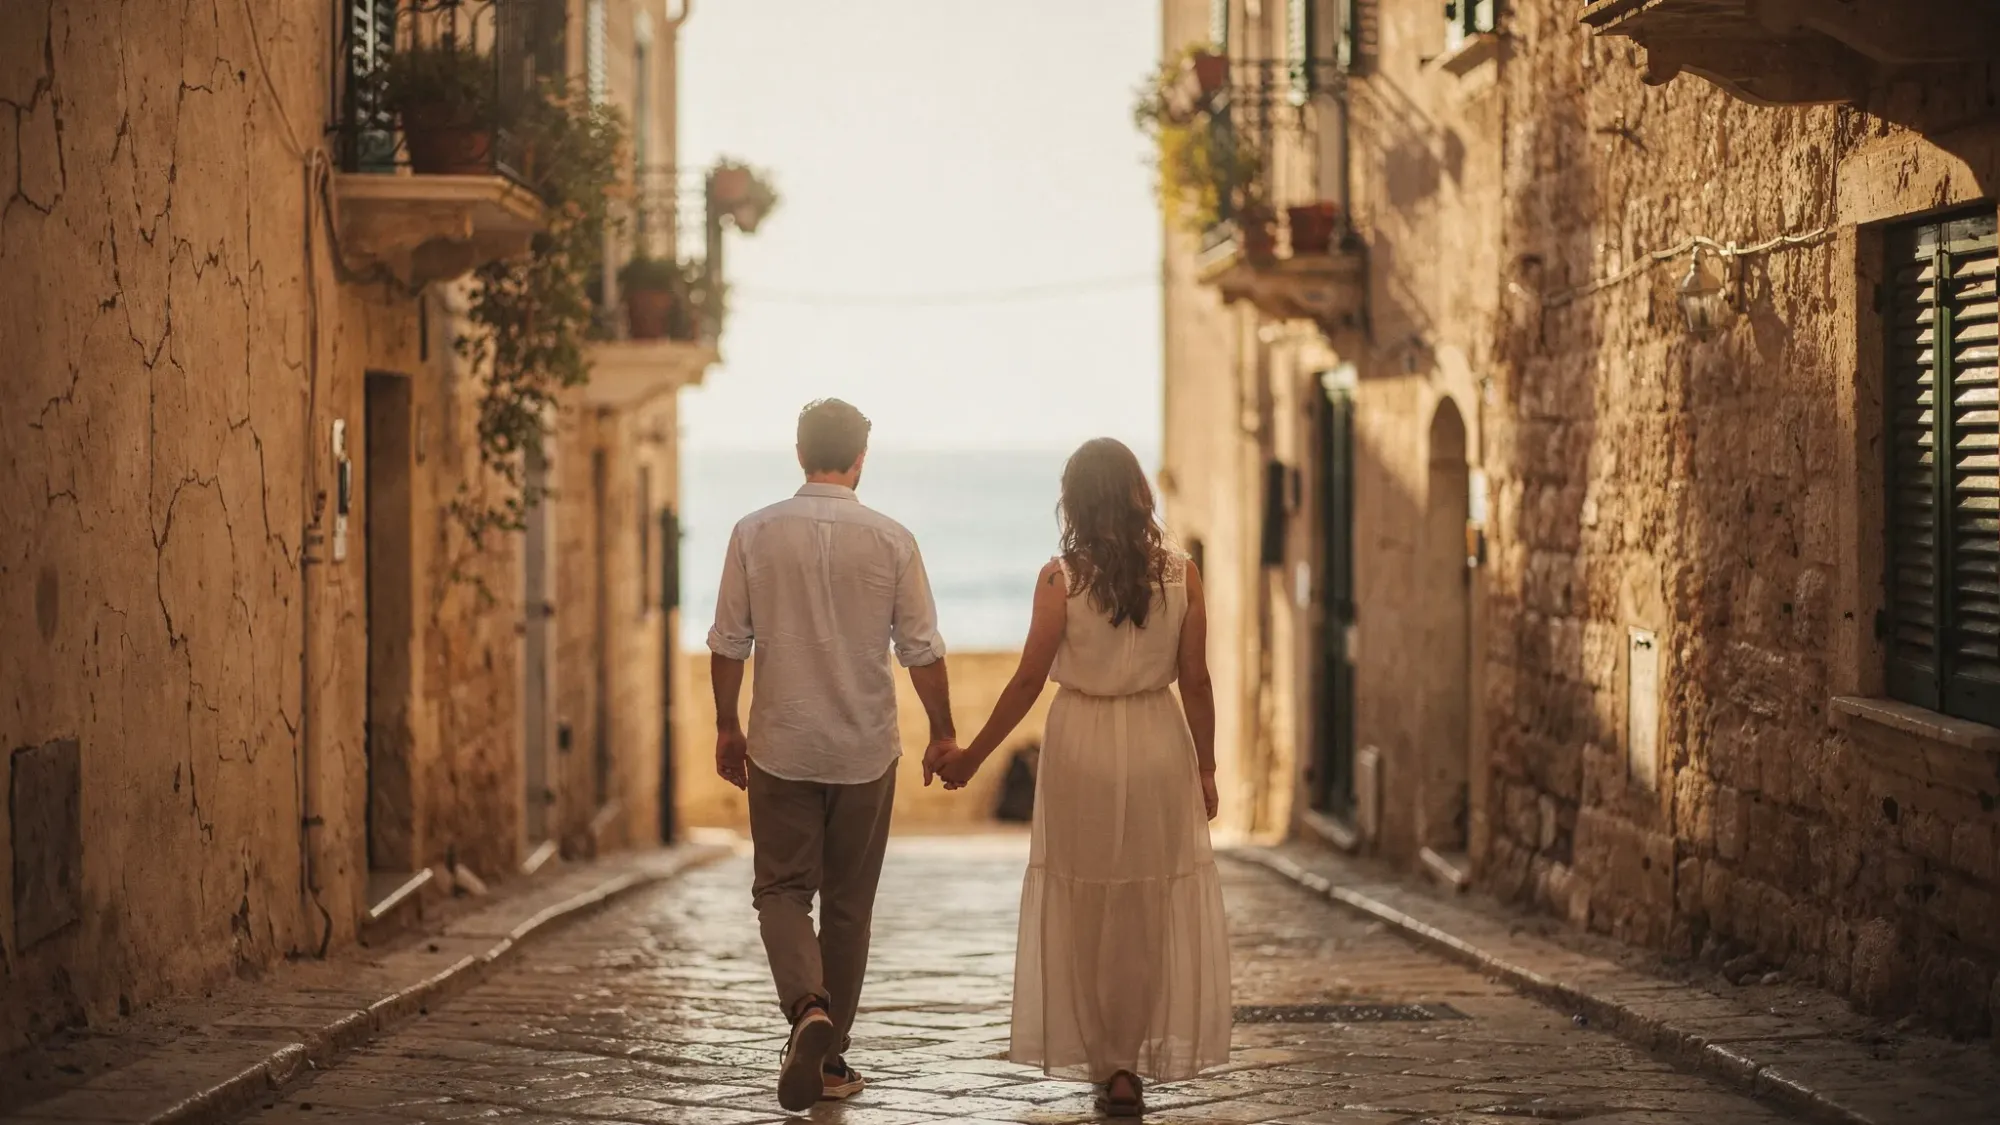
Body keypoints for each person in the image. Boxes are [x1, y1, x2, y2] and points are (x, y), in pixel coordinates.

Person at [935, 437, 1231, 1117]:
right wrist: (1207, 764)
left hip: (1081, 747)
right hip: (1159, 739)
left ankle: (1106, 1056)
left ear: (1074, 499)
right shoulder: (1183, 574)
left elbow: (1030, 678)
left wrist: (974, 754)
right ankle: (1127, 1059)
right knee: (1147, 905)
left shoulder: (1059, 578)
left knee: (1084, 902)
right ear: (1138, 493)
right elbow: (1198, 680)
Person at [707, 399, 959, 1112]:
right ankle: (830, 1054)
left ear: (798, 452)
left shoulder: (752, 532)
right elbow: (922, 649)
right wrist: (942, 732)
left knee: (782, 890)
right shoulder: (893, 539)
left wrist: (727, 726)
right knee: (849, 906)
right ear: (859, 460)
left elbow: (729, 641)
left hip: (783, 743)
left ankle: (807, 1009)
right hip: (864, 748)